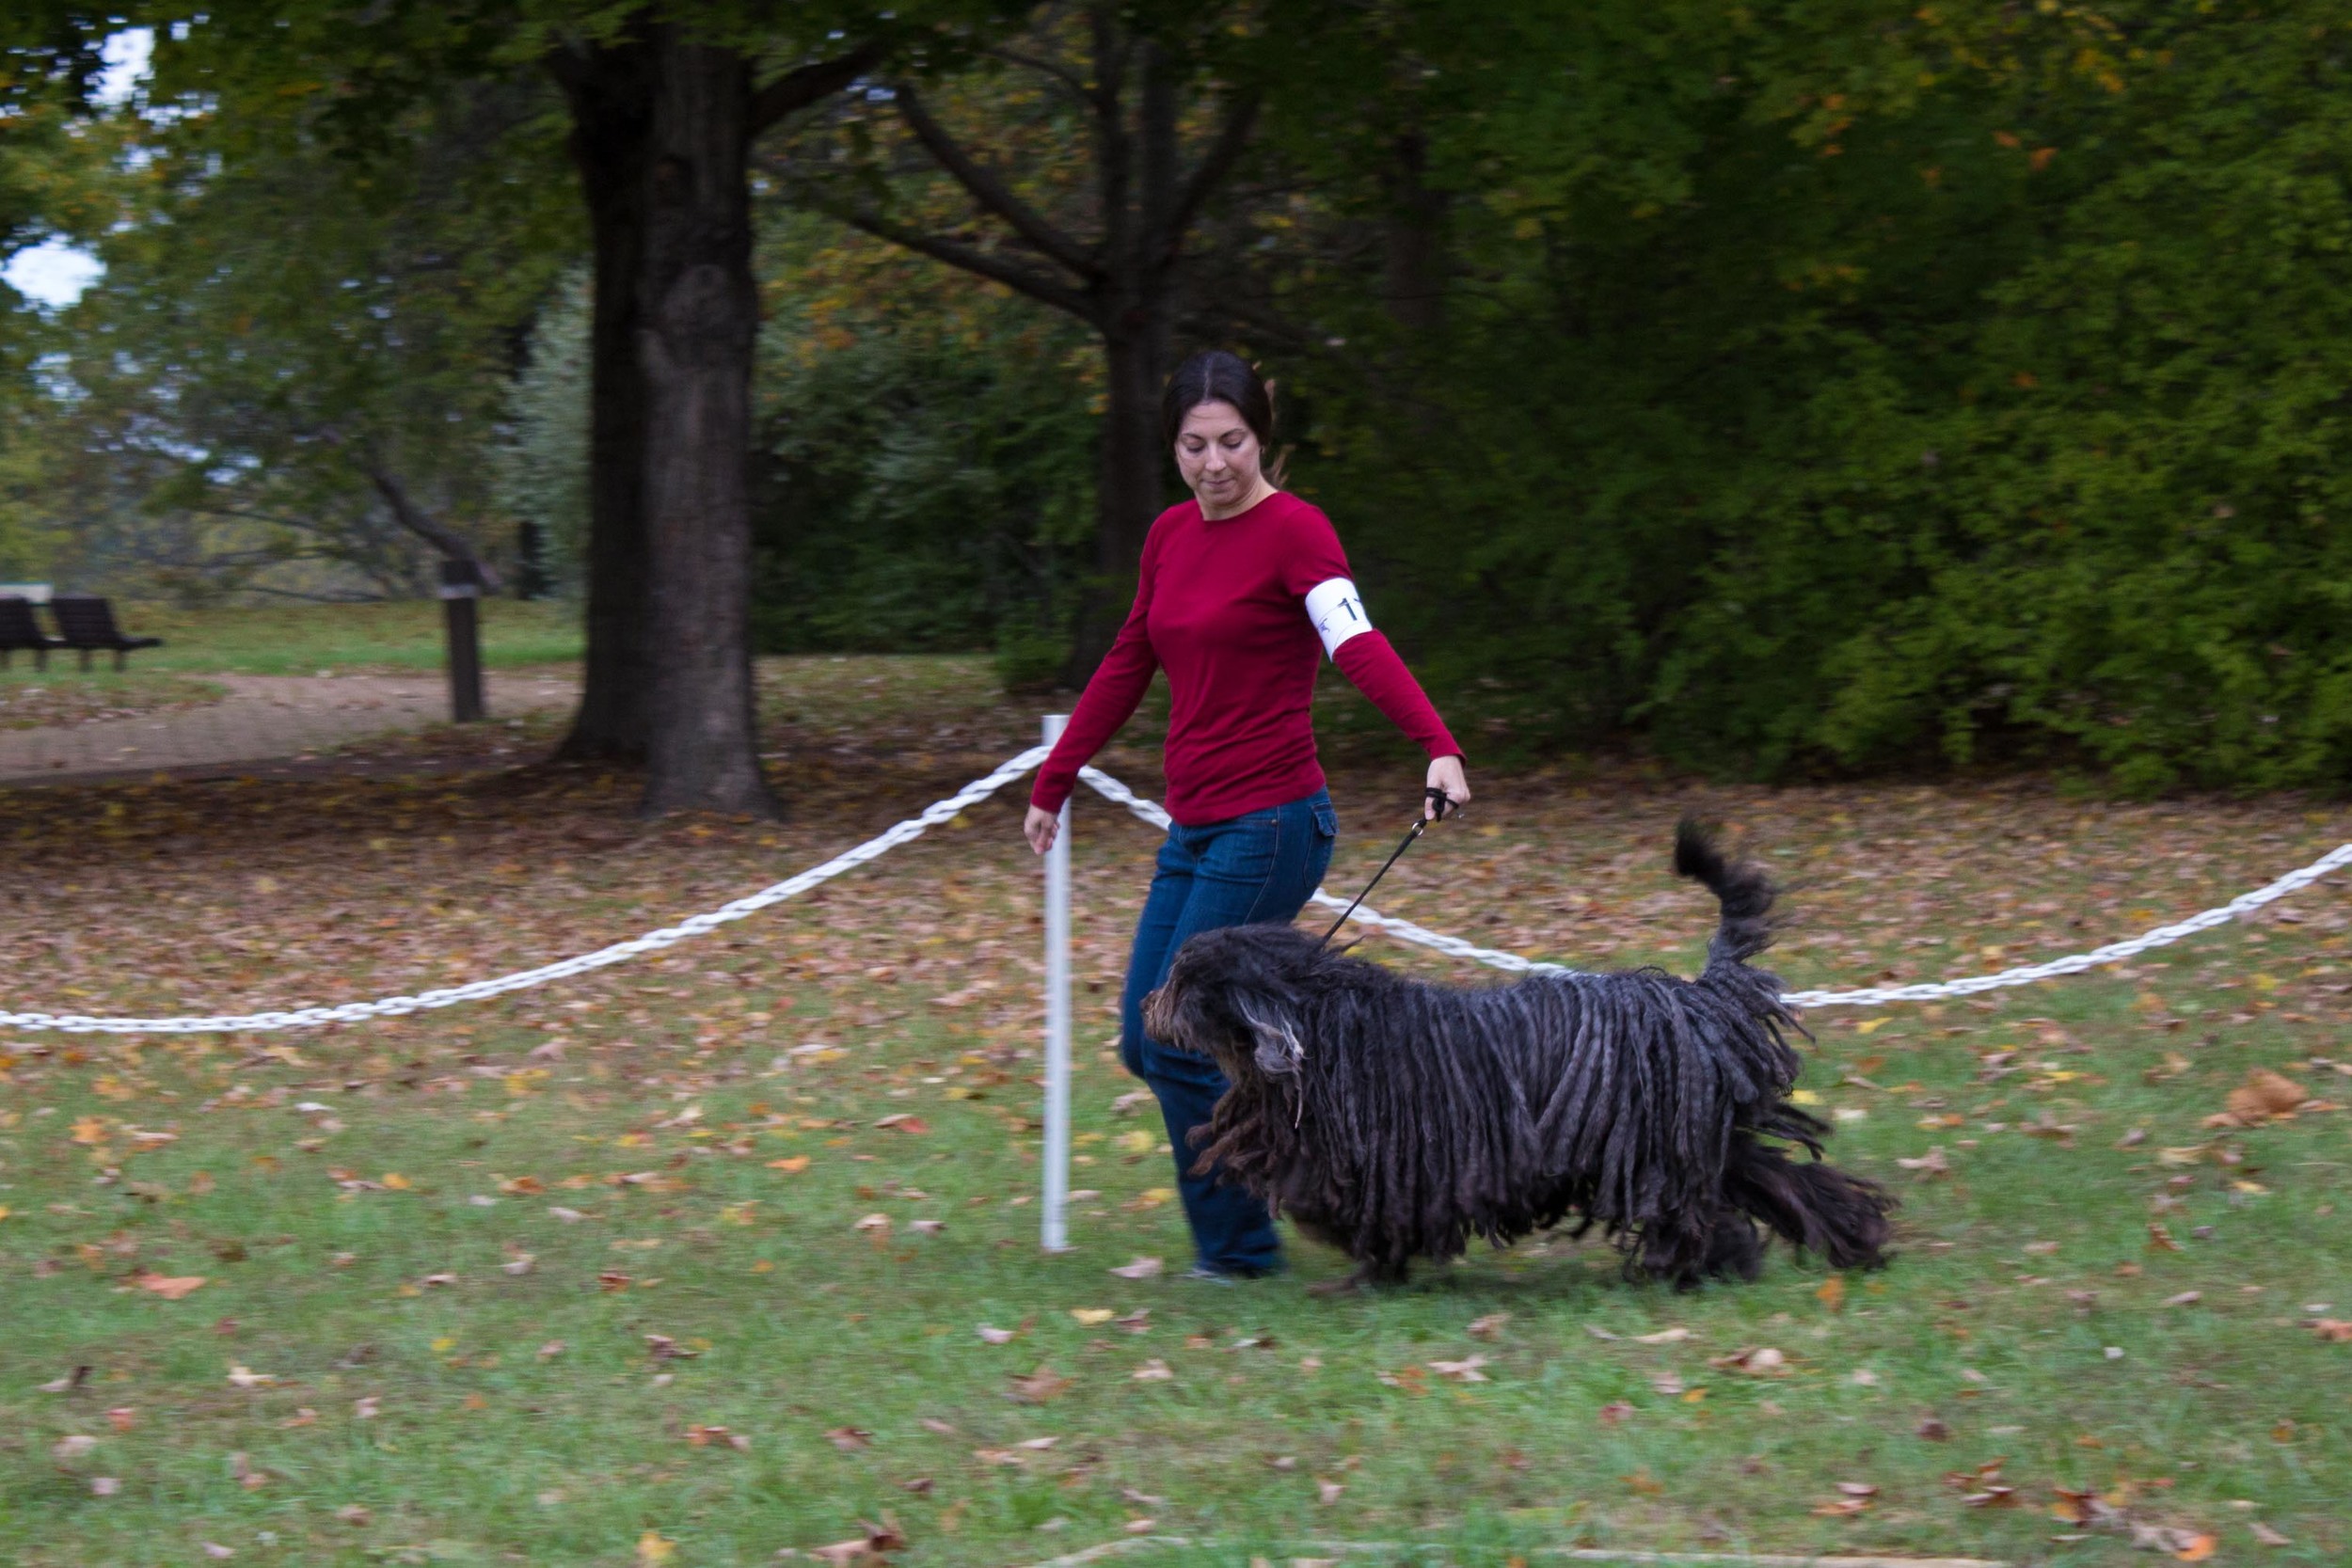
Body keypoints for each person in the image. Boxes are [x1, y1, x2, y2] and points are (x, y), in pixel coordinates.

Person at [1023, 350, 1470, 1280]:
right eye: (1194, 444)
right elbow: (1126, 661)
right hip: (1191, 829)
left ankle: (1241, 1249)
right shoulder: (1167, 538)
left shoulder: (1296, 530)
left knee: (1173, 1036)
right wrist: (1055, 776)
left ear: (1262, 439)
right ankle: (1309, 1179)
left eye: (1232, 442)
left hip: (1272, 824)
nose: (1214, 462)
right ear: (1171, 445)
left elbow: (1356, 641)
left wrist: (1437, 742)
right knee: (1146, 1043)